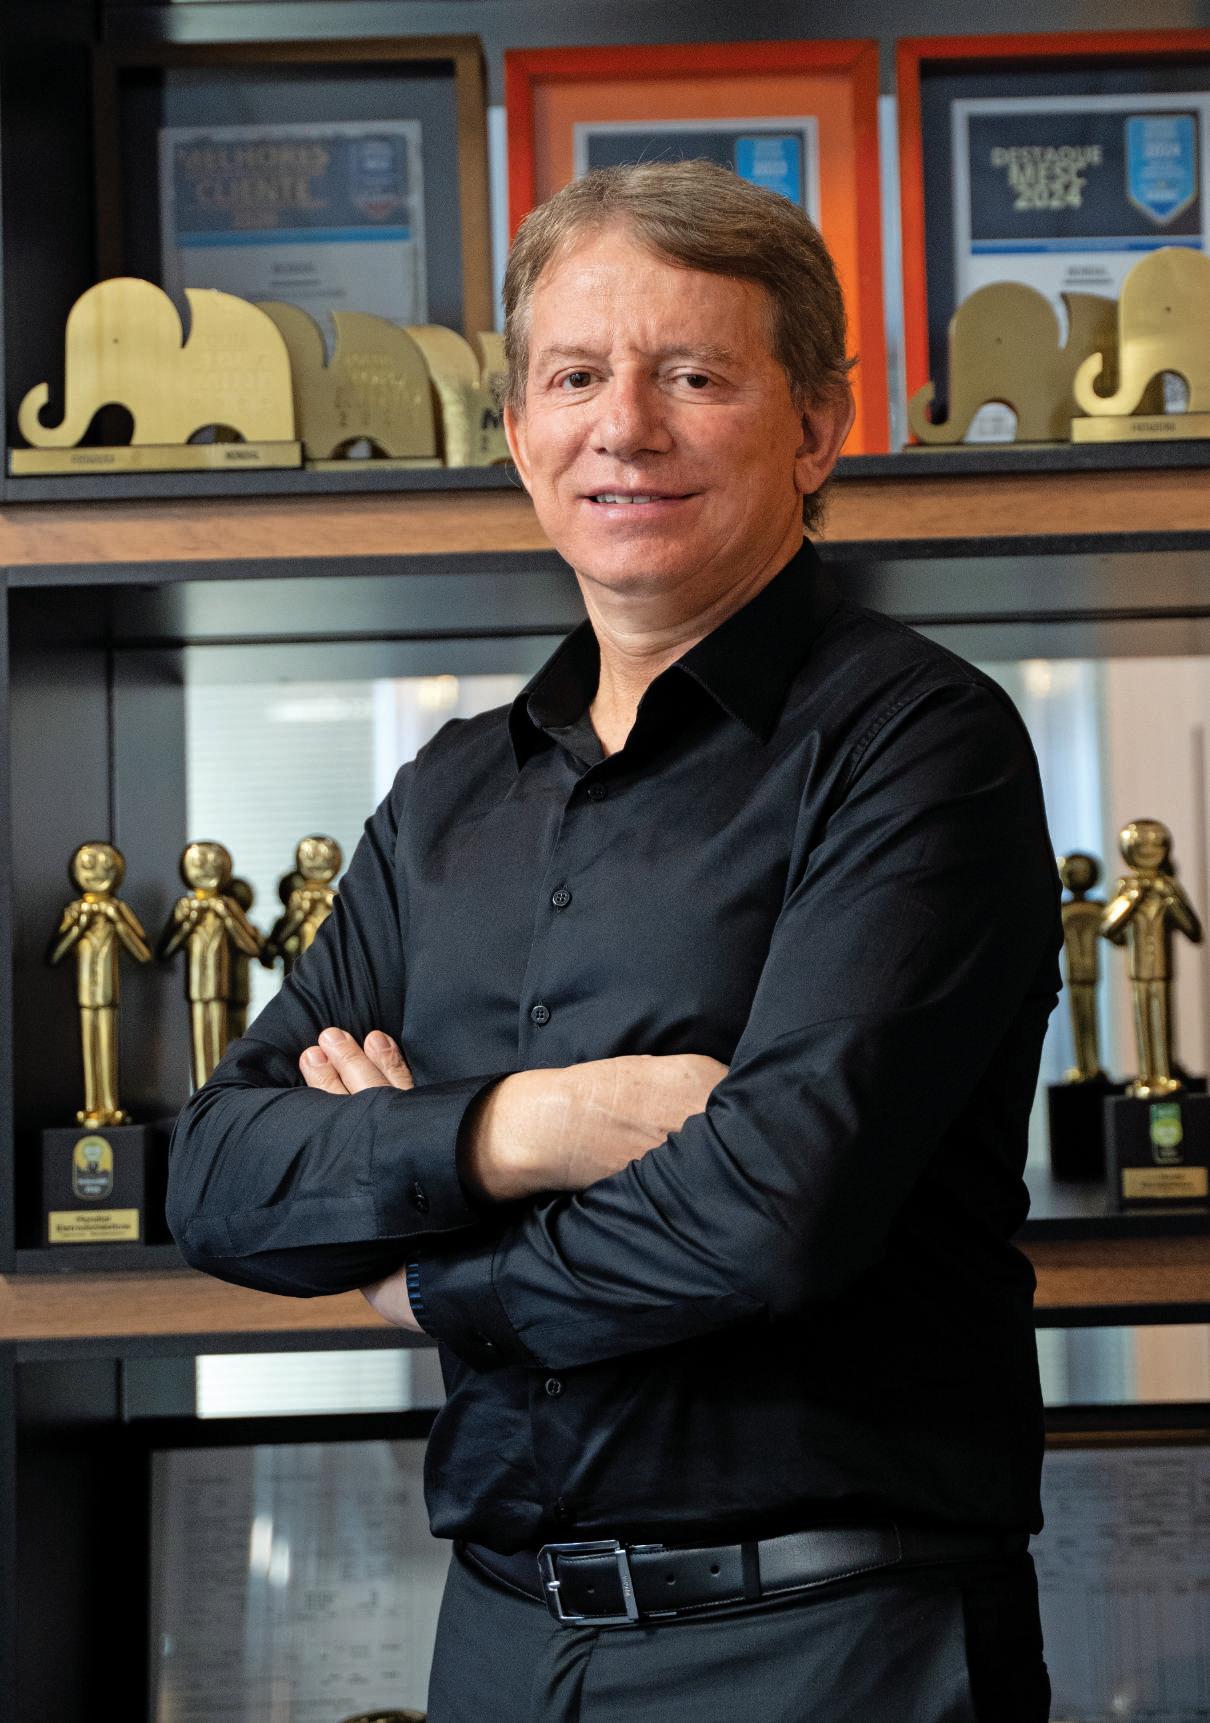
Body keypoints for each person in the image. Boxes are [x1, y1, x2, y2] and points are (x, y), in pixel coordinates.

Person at [167, 160, 1060, 1721]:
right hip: (501, 1633)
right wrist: (527, 1127)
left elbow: (767, 1216)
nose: (623, 427)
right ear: (518, 430)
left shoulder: (919, 745)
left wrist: (420, 1267)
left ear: (815, 428)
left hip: (829, 1641)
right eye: (575, 376)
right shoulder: (449, 794)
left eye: (693, 376)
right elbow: (221, 1178)